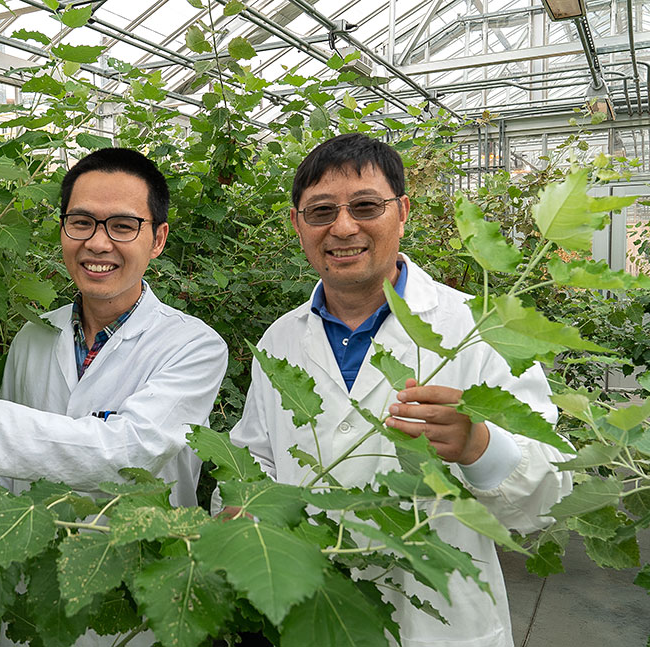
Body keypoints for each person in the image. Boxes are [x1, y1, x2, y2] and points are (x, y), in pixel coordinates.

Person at [229, 133, 571, 647]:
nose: (343, 227)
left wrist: (478, 445)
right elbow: (256, 460)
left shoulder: (477, 327)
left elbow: (548, 497)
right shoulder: (280, 339)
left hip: (436, 624)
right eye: (320, 212)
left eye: (366, 205)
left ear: (402, 211)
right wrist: (243, 509)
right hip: (311, 613)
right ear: (297, 225)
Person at [0, 147, 227, 508]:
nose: (96, 243)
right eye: (81, 222)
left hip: (142, 552)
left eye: (123, 226)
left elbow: (131, 456)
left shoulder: (194, 346)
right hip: (26, 546)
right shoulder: (35, 335)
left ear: (158, 239)